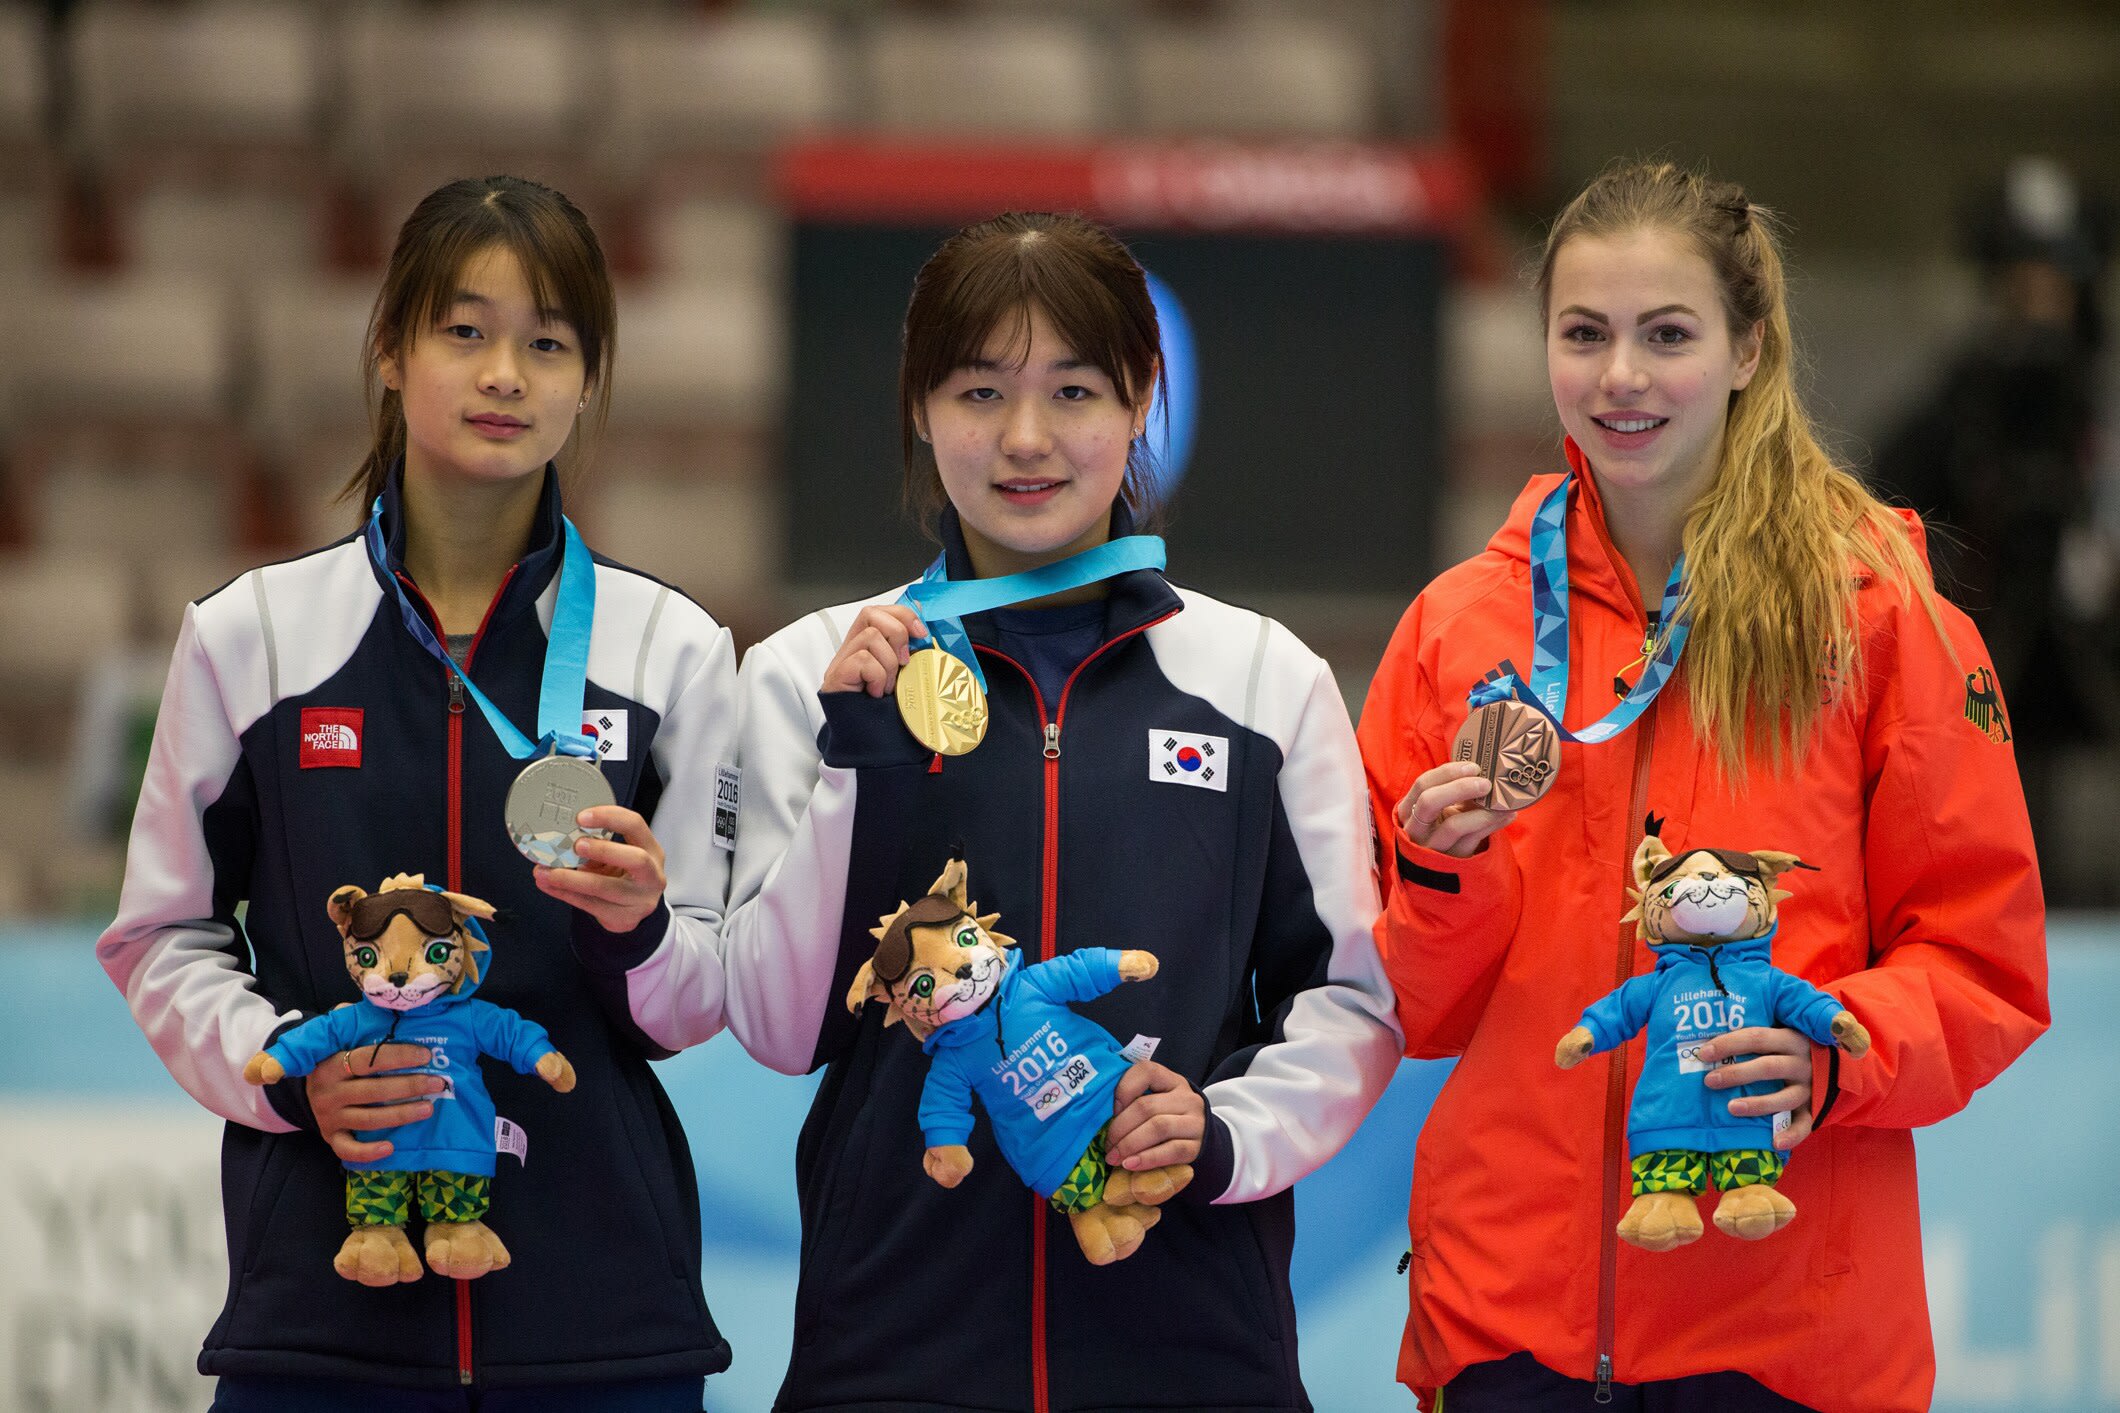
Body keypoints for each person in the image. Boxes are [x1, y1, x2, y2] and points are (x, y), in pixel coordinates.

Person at [1357, 161, 2050, 1411]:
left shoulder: (1877, 619)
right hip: (1509, 1327)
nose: (1618, 378)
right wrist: (1435, 875)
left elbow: (1984, 963)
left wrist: (1837, 1051)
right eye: (1583, 335)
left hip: (1782, 1332)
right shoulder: (1457, 628)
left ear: (1748, 348)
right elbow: (1409, 1009)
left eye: (1665, 335)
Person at [717, 210, 1402, 1412]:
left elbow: (1347, 995)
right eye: (979, 392)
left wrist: (1223, 1132)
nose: (1025, 439)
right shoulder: (810, 675)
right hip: (888, 1357)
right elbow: (778, 1027)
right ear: (920, 408)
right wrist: (849, 760)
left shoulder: (1259, 681)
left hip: (1192, 1353)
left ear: (1140, 401)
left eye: (1073, 391)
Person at [97, 175, 738, 1411]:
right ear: (388, 349)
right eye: (465, 330)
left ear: (588, 380)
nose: (506, 373)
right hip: (320, 1319)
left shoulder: (673, 652)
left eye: (548, 343)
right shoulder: (252, 639)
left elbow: (699, 991)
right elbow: (159, 933)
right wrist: (285, 1066)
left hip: (602, 1324)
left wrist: (643, 934)